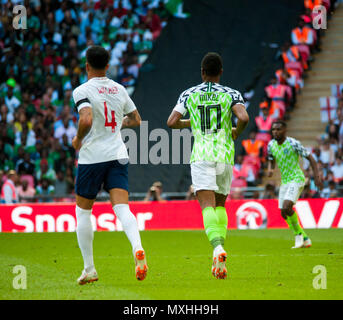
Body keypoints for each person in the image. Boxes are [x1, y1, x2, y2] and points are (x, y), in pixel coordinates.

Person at [167, 52, 249, 279]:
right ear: (221, 72)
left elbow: (171, 122)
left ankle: (217, 248)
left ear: (202, 72)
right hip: (224, 155)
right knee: (221, 205)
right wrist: (235, 132)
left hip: (202, 155)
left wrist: (191, 122)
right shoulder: (231, 93)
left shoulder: (189, 94)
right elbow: (243, 118)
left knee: (206, 206)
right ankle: (220, 252)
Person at [71, 46, 147, 285]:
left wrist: (78, 138)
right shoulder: (119, 89)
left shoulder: (82, 90)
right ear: (107, 66)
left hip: (93, 157)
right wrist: (117, 126)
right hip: (117, 154)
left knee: (83, 211)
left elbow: (86, 118)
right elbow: (136, 120)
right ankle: (138, 247)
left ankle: (89, 268)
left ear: (86, 66)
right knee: (122, 208)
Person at [267, 120, 323, 249]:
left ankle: (298, 236)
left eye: (278, 129)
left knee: (287, 207)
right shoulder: (270, 145)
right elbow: (271, 159)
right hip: (285, 181)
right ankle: (305, 238)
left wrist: (317, 176)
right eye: (273, 129)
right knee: (283, 212)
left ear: (285, 130)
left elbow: (311, 158)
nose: (275, 132)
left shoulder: (293, 143)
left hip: (296, 178)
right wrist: (270, 168)